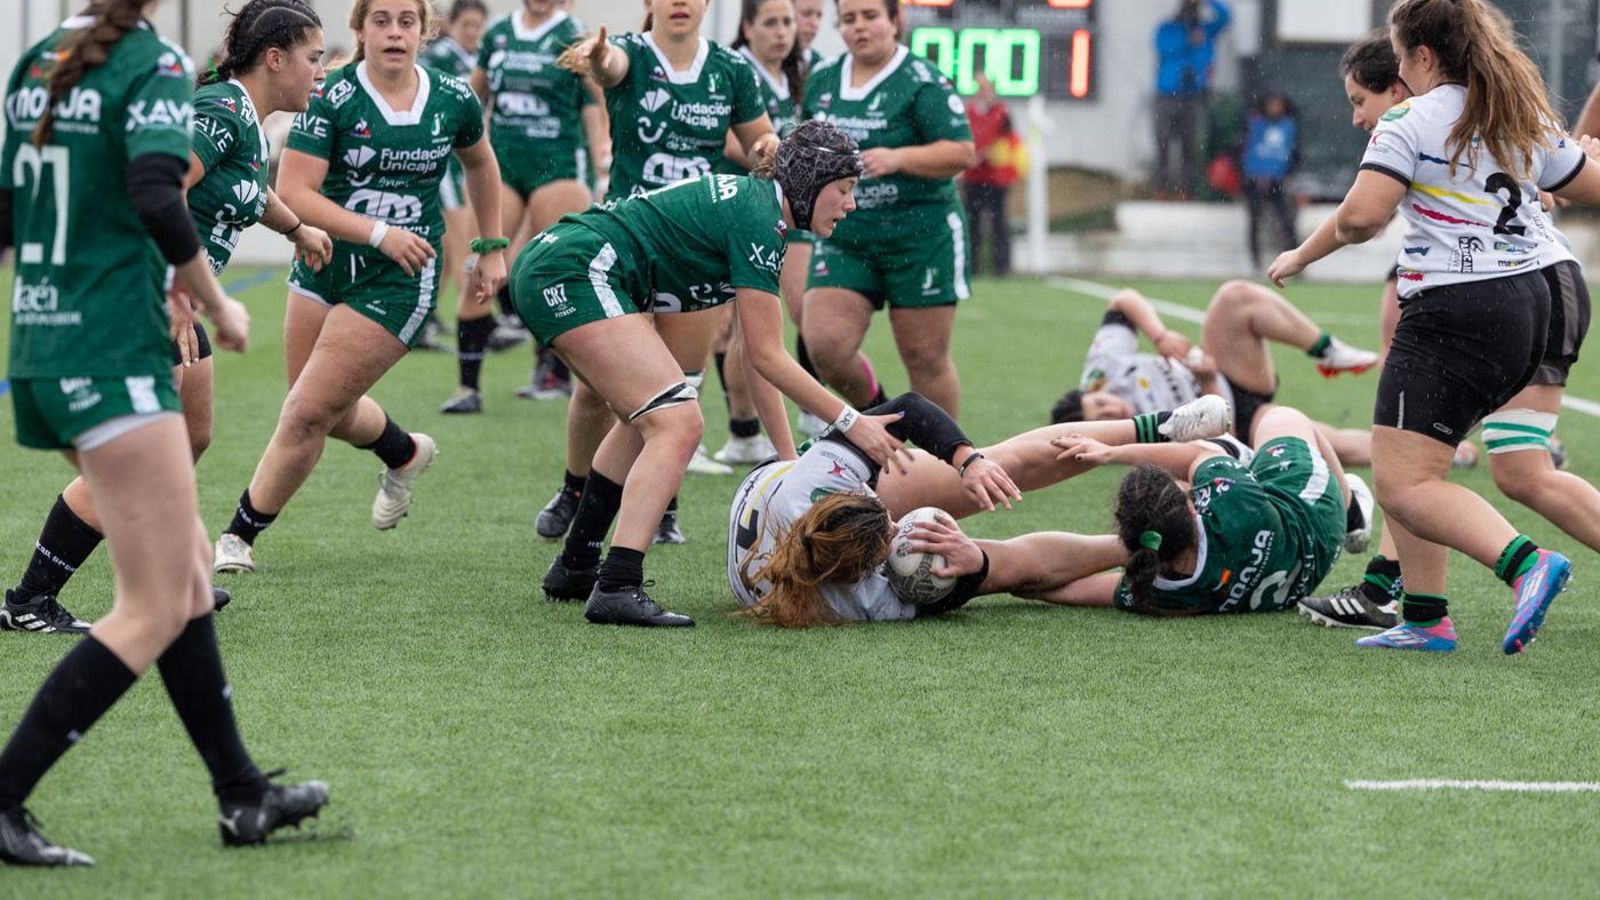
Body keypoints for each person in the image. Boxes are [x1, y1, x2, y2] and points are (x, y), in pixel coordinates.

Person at [0, 0, 328, 865]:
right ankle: (3, 799)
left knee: (182, 578)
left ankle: (241, 794)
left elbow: (10, 212)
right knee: (151, 607)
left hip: (45, 339)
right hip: (114, 344)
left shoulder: (43, 58)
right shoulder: (147, 62)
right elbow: (156, 189)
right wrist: (208, 296)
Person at [1267, 0, 1600, 654]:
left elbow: (1364, 217)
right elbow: (1582, 184)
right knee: (1429, 455)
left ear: (1420, 57)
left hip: (1461, 307)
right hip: (1542, 295)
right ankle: (1423, 615)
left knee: (1405, 480)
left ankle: (1525, 564)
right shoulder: (1513, 110)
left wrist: (1303, 253)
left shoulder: (1410, 118)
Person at [519, 121, 906, 627]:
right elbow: (768, 356)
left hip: (562, 262)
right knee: (679, 421)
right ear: (810, 185)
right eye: (845, 189)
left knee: (649, 418)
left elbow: (756, 357)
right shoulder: (758, 218)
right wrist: (853, 422)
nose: (851, 204)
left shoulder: (760, 211)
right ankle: (616, 584)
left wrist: (791, 466)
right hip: (574, 269)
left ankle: (576, 564)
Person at [212, 0, 508, 575]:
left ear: (425, 31)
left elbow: (481, 164)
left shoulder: (452, 97)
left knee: (304, 412)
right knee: (317, 406)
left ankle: (237, 536)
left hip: (399, 277)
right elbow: (296, 192)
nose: (394, 32)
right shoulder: (332, 94)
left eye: (406, 21)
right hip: (323, 263)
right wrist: (377, 232)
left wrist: (490, 247)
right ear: (360, 29)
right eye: (381, 20)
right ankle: (404, 452)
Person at [533, 1, 780, 545]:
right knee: (597, 390)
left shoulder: (731, 70)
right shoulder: (631, 53)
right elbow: (611, 65)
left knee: (678, 387)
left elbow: (761, 143)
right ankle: (575, 490)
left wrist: (767, 146)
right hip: (628, 243)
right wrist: (597, 59)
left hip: (695, 248)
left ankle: (663, 504)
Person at [730, 392, 1265, 625]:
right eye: (889, 538)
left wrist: (967, 461)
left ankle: (1161, 427)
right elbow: (979, 579)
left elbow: (909, 409)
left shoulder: (819, 477)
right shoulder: (862, 602)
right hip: (816, 538)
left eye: (888, 520)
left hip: (774, 485)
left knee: (997, 466)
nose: (898, 527)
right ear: (860, 572)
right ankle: (1142, 546)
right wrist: (971, 564)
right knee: (1009, 567)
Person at [902, 404, 1354, 619]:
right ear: (1192, 506)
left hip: (1295, 567)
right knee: (1280, 418)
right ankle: (1353, 507)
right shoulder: (1234, 506)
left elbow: (1068, 588)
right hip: (1313, 516)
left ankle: (1176, 430)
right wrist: (1110, 454)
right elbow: (1195, 456)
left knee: (1246, 437)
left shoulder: (1165, 589)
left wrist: (1018, 578)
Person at [799, 0, 977, 420]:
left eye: (870, 16)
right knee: (825, 346)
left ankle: (946, 463)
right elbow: (804, 143)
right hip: (848, 235)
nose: (860, 27)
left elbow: (963, 151)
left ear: (896, 20)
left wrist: (898, 159)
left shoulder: (922, 81)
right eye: (849, 19)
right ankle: (880, 420)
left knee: (924, 357)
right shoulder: (823, 79)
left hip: (920, 236)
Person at [440, 0, 608, 414]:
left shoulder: (573, 32)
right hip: (505, 166)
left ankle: (553, 372)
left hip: (560, 165)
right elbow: (472, 97)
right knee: (484, 262)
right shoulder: (498, 33)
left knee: (551, 271)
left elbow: (595, 97)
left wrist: (603, 147)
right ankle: (467, 387)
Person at [1048, 283, 1378, 467]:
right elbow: (1224, 444)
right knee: (1331, 446)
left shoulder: (1101, 373)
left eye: (1102, 403)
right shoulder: (1136, 443)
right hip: (1239, 427)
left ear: (1093, 390)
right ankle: (1413, 458)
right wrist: (1206, 382)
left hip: (1232, 370)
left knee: (1234, 298)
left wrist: (1160, 336)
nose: (1113, 409)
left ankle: (1327, 350)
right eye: (1104, 417)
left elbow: (1124, 300)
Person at [708, 0, 808, 465]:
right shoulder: (734, 70)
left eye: (787, 22)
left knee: (756, 325)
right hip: (742, 204)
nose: (782, 31)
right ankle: (741, 428)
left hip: (784, 208)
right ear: (747, 28)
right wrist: (779, 159)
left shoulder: (797, 76)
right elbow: (733, 141)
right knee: (737, 325)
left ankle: (749, 430)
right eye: (770, 22)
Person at [419, 0, 489, 357]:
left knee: (444, 254)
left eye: (479, 26)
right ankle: (481, 318)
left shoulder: (474, 58)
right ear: (453, 25)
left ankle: (422, 318)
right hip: (443, 162)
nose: (473, 32)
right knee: (461, 242)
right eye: (467, 25)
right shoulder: (442, 56)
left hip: (461, 163)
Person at [1152, 0, 1230, 199]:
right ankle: (1161, 188)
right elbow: (1162, 48)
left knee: (1189, 145)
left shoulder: (1205, 30)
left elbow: (1225, 16)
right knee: (1163, 143)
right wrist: (1187, 39)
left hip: (1193, 95)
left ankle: (1184, 189)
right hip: (1167, 95)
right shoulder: (1168, 28)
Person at [962, 73, 1019, 277]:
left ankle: (1001, 268)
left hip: (995, 179)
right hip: (973, 178)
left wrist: (991, 154)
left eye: (986, 87)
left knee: (998, 224)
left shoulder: (1002, 112)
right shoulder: (969, 112)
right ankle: (973, 267)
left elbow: (1009, 142)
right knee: (972, 224)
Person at [1240, 92, 1297, 270]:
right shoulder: (1255, 125)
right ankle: (1255, 262)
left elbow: (1290, 155)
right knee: (1254, 223)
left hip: (1277, 182)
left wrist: (1276, 175)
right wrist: (1254, 175)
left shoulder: (1289, 126)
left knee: (1287, 221)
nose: (1275, 108)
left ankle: (1294, 260)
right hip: (1254, 182)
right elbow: (1247, 153)